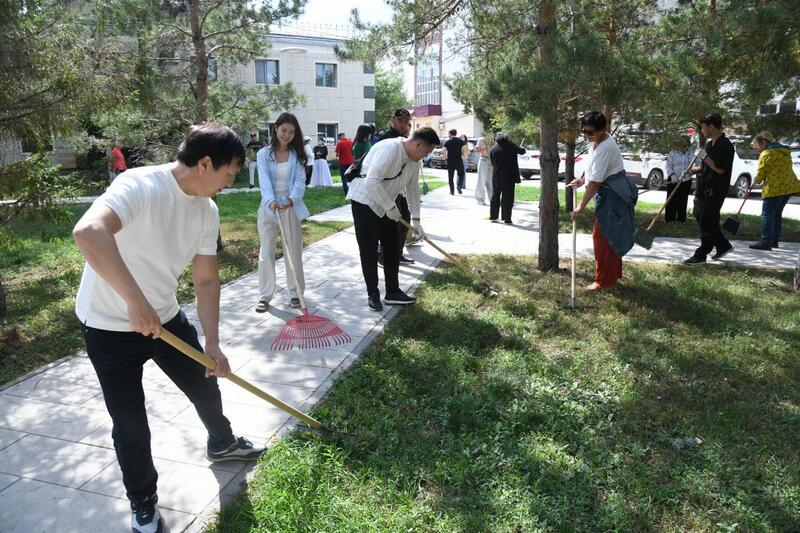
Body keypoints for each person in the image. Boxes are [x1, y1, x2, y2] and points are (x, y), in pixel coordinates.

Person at [72, 123, 263, 533]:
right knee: (130, 423)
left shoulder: (207, 210)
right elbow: (89, 232)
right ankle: (143, 502)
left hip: (166, 319)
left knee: (205, 384)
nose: (231, 182)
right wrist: (134, 302)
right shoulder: (140, 185)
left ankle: (222, 443)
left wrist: (213, 343)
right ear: (205, 163)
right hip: (107, 326)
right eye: (230, 173)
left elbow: (206, 280)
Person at [346, 127, 438, 311]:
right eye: (426, 151)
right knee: (368, 249)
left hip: (388, 202)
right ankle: (373, 294)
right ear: (418, 144)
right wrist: (389, 207)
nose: (425, 156)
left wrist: (417, 221)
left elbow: (413, 189)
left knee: (392, 246)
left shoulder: (415, 161)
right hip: (365, 200)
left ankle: (393, 291)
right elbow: (371, 181)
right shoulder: (389, 149)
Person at [569, 111, 638, 290]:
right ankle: (612, 275)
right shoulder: (596, 142)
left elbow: (595, 183)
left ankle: (604, 281)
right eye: (584, 131)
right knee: (609, 236)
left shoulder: (606, 147)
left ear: (602, 129)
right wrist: (581, 180)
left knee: (604, 237)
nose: (586, 135)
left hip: (614, 195)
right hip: (608, 192)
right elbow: (593, 171)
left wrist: (580, 207)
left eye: (590, 132)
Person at [255, 113, 309, 312]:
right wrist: (271, 201)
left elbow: (300, 183)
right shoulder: (263, 154)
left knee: (293, 251)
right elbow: (264, 181)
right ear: (276, 128)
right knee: (266, 252)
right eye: (284, 130)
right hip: (268, 206)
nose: (287, 135)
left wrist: (290, 200)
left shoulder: (298, 155)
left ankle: (295, 293)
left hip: (290, 206)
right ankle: (264, 295)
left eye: (291, 132)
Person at [683, 113, 735, 264]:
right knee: (703, 218)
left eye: (703, 127)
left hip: (716, 189)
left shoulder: (725, 146)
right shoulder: (709, 144)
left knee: (707, 221)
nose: (702, 130)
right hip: (703, 188)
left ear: (711, 126)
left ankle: (701, 254)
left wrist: (705, 157)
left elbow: (720, 169)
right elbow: (705, 168)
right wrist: (690, 171)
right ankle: (723, 246)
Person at [748, 131, 800, 250]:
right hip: (788, 187)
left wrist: (756, 180)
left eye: (757, 146)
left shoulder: (766, 154)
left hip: (774, 188)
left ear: (763, 142)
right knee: (776, 214)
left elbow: (761, 172)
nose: (757, 150)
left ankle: (765, 241)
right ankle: (774, 241)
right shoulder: (784, 152)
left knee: (767, 215)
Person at [378, 108, 416, 264]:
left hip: (399, 188)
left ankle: (396, 253)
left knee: (404, 219)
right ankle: (385, 255)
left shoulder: (405, 139)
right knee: (390, 223)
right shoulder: (386, 138)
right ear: (392, 120)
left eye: (406, 121)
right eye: (400, 121)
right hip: (386, 188)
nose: (403, 124)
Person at [489, 132, 526, 224]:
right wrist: (519, 146)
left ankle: (494, 216)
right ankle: (507, 218)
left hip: (496, 175)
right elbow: (522, 151)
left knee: (495, 195)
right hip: (509, 176)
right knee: (508, 197)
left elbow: (492, 162)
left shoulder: (493, 148)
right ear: (507, 139)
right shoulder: (511, 146)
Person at [664, 136, 694, 222]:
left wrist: (690, 172)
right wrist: (672, 175)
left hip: (686, 179)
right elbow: (668, 166)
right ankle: (670, 219)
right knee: (671, 199)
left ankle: (681, 219)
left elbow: (696, 165)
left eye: (685, 145)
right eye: (681, 145)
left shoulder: (691, 153)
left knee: (683, 199)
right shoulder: (673, 153)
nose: (683, 147)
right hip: (674, 179)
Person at [444, 129, 466, 194]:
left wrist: (445, 159)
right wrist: (464, 158)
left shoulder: (448, 142)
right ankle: (459, 186)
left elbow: (443, 150)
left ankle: (452, 191)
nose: (448, 135)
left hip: (450, 161)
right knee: (461, 174)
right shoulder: (461, 141)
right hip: (459, 161)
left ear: (450, 134)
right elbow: (465, 150)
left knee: (450, 177)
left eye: (448, 133)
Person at [474, 136, 492, 205]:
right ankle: (480, 199)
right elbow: (475, 150)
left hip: (491, 161)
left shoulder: (494, 139)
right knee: (481, 180)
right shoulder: (481, 139)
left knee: (490, 181)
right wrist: (485, 148)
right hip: (483, 159)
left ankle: (492, 200)